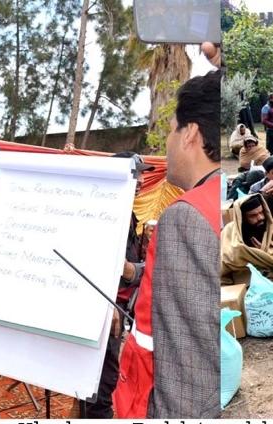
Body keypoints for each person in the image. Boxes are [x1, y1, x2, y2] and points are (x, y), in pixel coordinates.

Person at [114, 70, 221, 419]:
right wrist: (134, 273)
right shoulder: (214, 200)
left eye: (172, 129)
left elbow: (184, 364)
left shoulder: (185, 215)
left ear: (190, 133)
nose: (167, 144)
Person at [84, 151, 152, 419]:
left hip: (118, 304)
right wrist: (108, 302)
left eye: (143, 174)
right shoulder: (106, 213)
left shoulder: (126, 211)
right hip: (106, 306)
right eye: (137, 174)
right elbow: (104, 264)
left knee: (106, 373)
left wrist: (144, 244)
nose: (143, 181)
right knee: (104, 376)